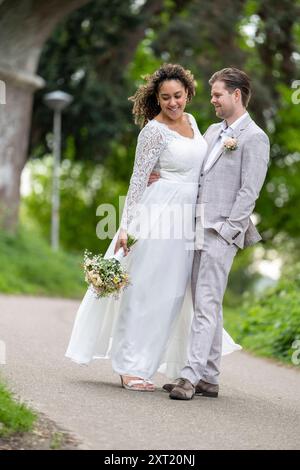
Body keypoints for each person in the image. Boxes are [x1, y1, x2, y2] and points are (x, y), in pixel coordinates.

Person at [65, 64, 241, 392]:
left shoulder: (193, 122)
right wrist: (126, 227)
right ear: (156, 99)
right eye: (165, 98)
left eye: (178, 96)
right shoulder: (153, 131)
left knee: (173, 295)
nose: (173, 103)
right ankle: (128, 367)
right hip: (157, 213)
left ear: (188, 94)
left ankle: (164, 364)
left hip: (188, 220)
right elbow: (137, 178)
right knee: (143, 290)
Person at [150, 67, 270, 399]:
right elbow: (193, 170)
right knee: (206, 303)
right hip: (194, 228)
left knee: (206, 302)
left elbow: (249, 192)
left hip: (222, 232)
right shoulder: (214, 131)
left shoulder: (255, 138)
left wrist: (230, 231)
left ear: (236, 94)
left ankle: (189, 377)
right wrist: (159, 175)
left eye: (217, 94)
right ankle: (210, 377)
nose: (212, 100)